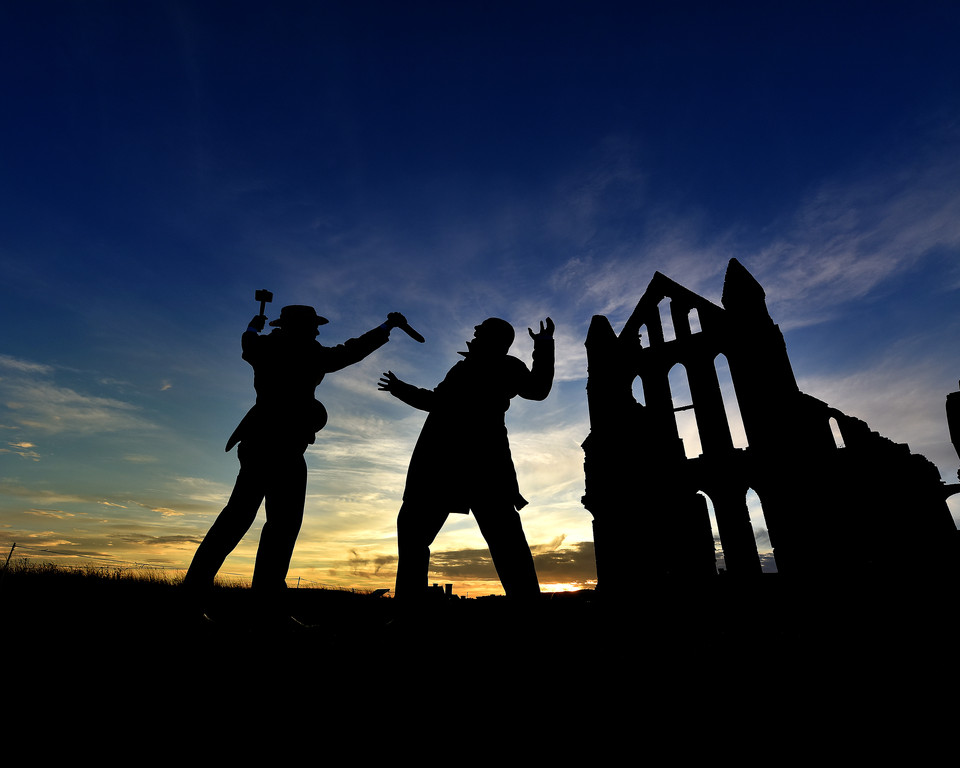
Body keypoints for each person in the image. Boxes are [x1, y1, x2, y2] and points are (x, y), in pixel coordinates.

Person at [184, 304, 409, 620]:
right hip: (281, 448)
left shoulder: (263, 348)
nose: (318, 331)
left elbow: (248, 343)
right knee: (275, 526)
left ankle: (203, 598)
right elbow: (352, 351)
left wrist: (253, 325)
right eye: (313, 326)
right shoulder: (309, 354)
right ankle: (262, 607)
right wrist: (386, 327)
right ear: (299, 328)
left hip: (262, 443)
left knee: (242, 520)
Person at [379, 316, 555, 601]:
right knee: (414, 534)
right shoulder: (464, 368)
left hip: (478, 468)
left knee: (506, 542)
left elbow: (537, 390)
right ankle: (409, 613)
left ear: (495, 339)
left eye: (481, 330)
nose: (474, 331)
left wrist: (544, 346)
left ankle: (529, 612)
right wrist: (400, 388)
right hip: (443, 467)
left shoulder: (506, 367)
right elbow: (437, 401)